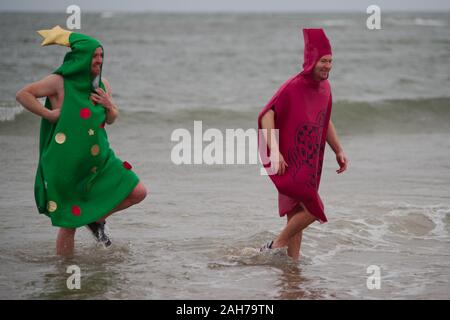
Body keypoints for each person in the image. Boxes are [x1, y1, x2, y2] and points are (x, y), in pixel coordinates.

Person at [16, 26, 147, 256]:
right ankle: (64, 277)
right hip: (67, 165)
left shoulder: (102, 84)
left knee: (138, 192)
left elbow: (111, 119)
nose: (99, 60)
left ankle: (96, 218)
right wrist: (49, 114)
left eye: (101, 55)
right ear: (81, 57)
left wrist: (110, 106)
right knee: (70, 224)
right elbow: (23, 94)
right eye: (94, 55)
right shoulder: (58, 82)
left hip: (100, 161)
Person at [258, 28, 348, 261]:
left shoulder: (326, 88)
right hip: (289, 160)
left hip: (310, 163)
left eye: (330, 61)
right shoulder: (293, 86)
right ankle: (275, 245)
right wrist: (275, 151)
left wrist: (338, 149)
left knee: (296, 214)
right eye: (323, 61)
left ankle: (292, 269)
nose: (328, 66)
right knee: (313, 210)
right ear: (311, 61)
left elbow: (324, 120)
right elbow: (267, 114)